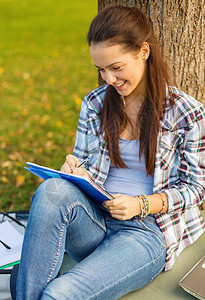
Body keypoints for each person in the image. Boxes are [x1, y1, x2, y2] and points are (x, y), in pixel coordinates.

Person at [14, 5, 205, 300]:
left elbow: (197, 189)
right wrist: (76, 171)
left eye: (116, 67)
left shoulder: (187, 113)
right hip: (96, 216)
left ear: (143, 51)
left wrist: (141, 204)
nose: (108, 79)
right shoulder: (95, 104)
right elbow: (85, 160)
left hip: (146, 233)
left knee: (58, 294)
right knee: (52, 190)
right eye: (101, 70)